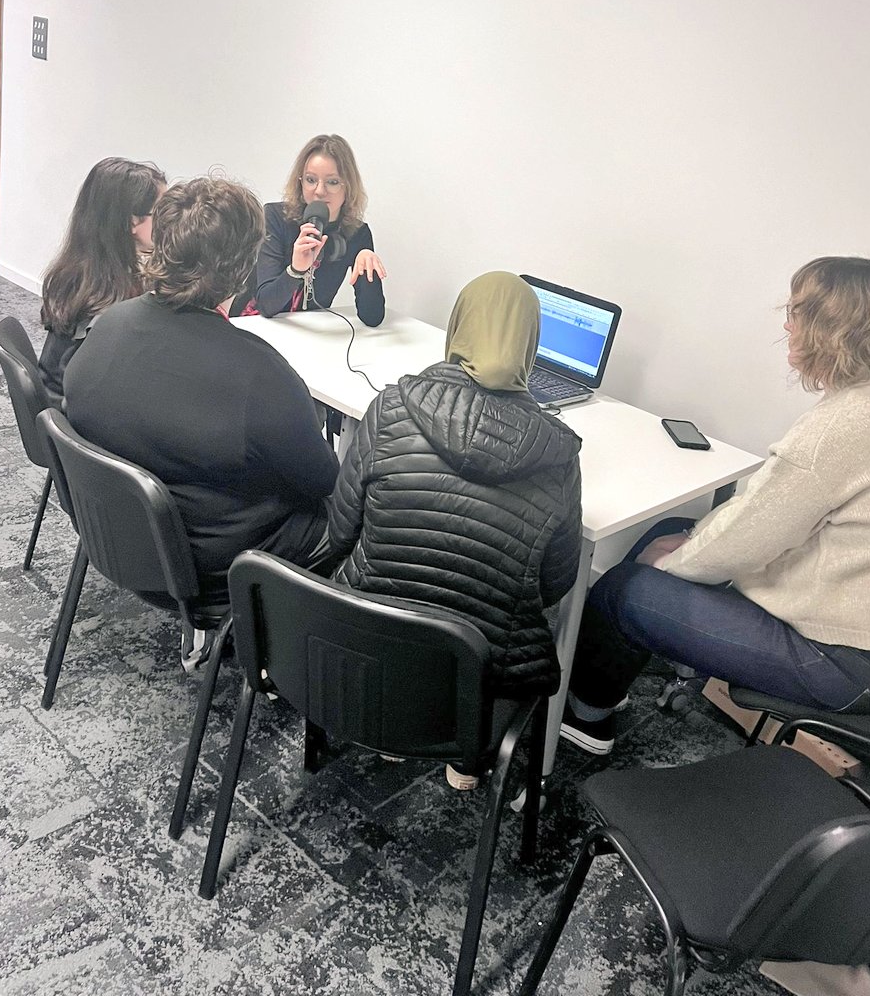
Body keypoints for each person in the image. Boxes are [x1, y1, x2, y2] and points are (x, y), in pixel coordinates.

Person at [562, 255, 870, 755]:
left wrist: (674, 558)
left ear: (826, 330)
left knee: (626, 587)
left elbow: (742, 543)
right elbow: (765, 521)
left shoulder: (842, 427)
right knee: (672, 528)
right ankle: (613, 680)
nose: (787, 325)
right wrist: (687, 542)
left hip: (844, 663)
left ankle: (584, 718)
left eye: (795, 313)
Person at [324, 271, 583, 786]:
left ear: (458, 325)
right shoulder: (559, 453)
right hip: (485, 672)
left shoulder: (391, 407)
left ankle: (391, 731)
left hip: (368, 637)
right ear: (530, 346)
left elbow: (340, 529)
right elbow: (557, 581)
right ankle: (465, 760)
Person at [63, 176, 340, 621]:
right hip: (217, 571)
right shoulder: (260, 375)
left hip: (123, 545)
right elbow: (326, 482)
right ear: (242, 266)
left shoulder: (106, 328)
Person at [38, 157, 167, 407]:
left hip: (58, 410)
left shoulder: (83, 270)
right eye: (162, 212)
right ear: (131, 222)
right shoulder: (107, 305)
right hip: (77, 422)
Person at [235, 134, 386, 326]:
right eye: (311, 179)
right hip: (255, 324)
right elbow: (266, 305)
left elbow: (372, 318)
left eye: (332, 182)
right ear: (300, 182)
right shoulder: (276, 217)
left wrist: (368, 272)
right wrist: (296, 270)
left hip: (309, 335)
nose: (319, 191)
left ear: (347, 186)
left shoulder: (356, 233)